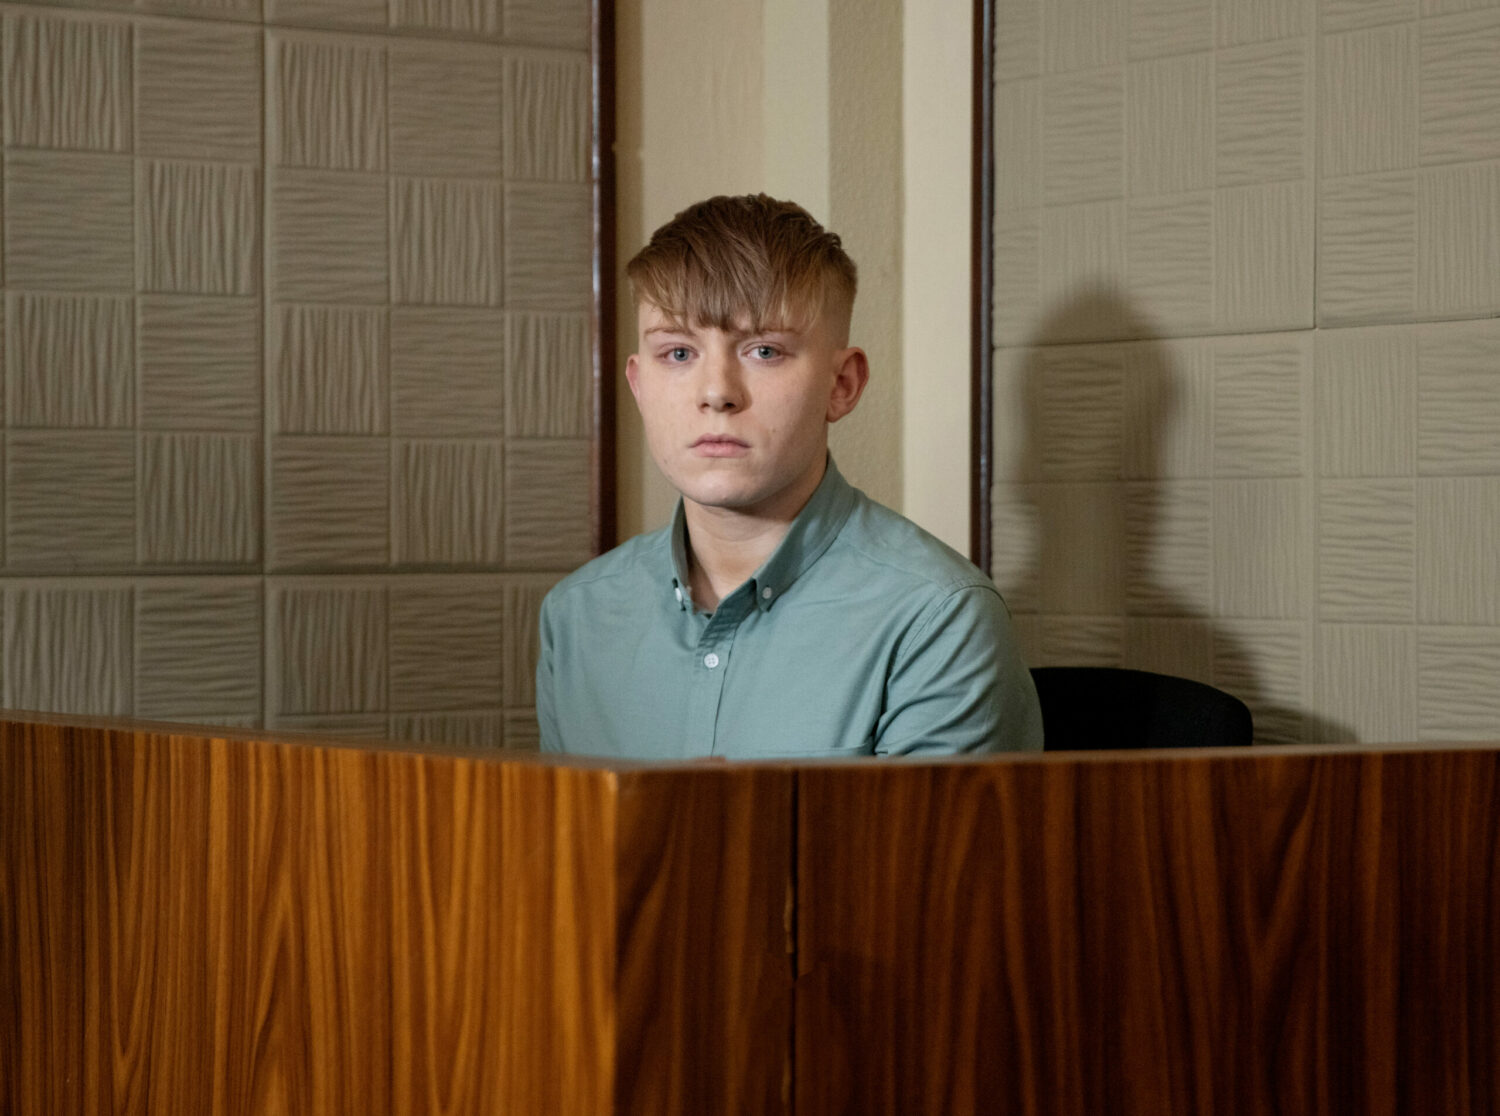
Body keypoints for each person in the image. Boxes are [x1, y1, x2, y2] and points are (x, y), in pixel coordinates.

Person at [536, 194, 1042, 759]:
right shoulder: (576, 615)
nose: (716, 393)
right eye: (678, 353)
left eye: (764, 350)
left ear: (841, 385)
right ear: (638, 386)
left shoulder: (937, 619)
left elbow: (924, 851)